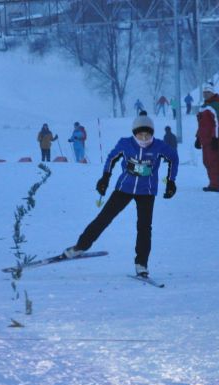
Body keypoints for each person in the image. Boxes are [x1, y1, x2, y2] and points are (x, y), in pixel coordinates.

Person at [62, 111, 179, 278]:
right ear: (135, 133)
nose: (144, 139)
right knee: (103, 218)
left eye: (147, 135)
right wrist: (105, 178)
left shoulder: (159, 146)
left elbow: (174, 158)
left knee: (144, 228)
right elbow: (111, 158)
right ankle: (80, 246)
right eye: (140, 134)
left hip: (146, 192)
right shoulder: (126, 144)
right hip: (124, 188)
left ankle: (141, 264)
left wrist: (171, 181)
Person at [195, 82, 219, 192]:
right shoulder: (204, 106)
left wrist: (215, 138)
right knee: (206, 161)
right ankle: (212, 182)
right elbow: (201, 124)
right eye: (204, 92)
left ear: (212, 93)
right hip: (205, 140)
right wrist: (198, 137)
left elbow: (217, 122)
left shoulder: (215, 105)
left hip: (212, 139)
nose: (206, 94)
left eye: (208, 92)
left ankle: (215, 185)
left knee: (213, 161)